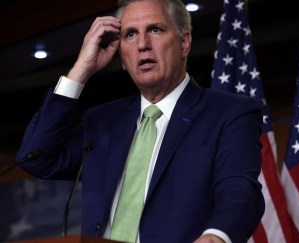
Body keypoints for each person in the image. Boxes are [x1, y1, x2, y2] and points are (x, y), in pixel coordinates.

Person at [16, 0, 265, 242]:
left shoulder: (230, 113)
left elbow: (239, 188)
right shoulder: (103, 121)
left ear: (184, 43)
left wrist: (217, 236)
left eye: (155, 30)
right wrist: (82, 68)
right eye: (130, 35)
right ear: (122, 56)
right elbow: (37, 158)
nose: (142, 45)